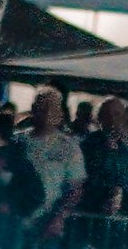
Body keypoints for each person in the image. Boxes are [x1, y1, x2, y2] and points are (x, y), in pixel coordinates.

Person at [18, 87, 85, 234]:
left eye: (52, 107)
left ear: (60, 113)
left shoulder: (69, 147)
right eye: (42, 107)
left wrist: (59, 217)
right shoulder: (18, 141)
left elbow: (76, 187)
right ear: (33, 109)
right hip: (16, 219)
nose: (47, 113)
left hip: (47, 221)